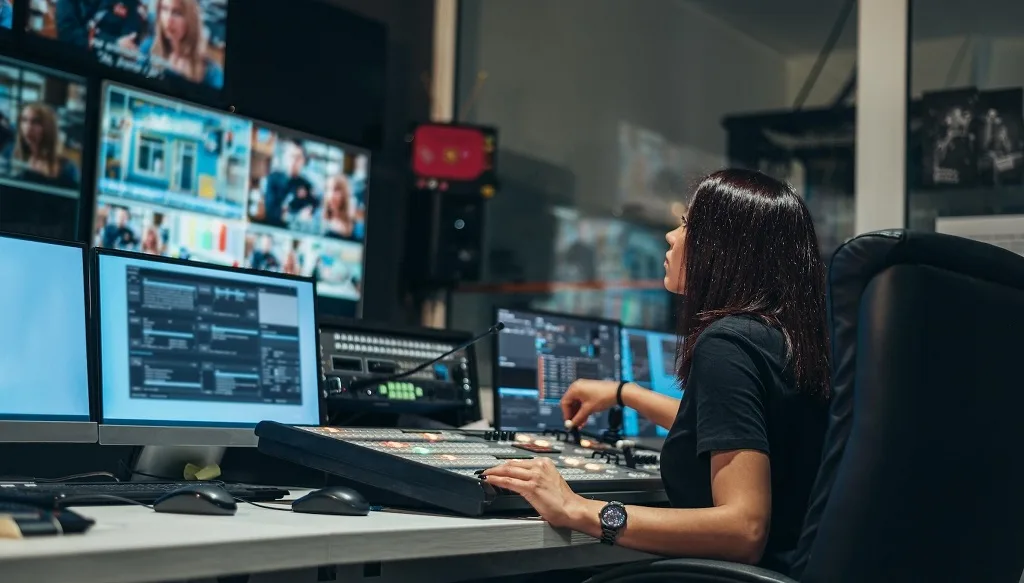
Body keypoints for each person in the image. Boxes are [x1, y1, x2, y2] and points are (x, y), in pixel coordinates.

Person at [481, 169, 832, 577]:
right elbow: (731, 425)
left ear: (725, 248)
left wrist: (579, 508)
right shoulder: (781, 337)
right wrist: (623, 393)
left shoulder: (727, 344)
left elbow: (743, 529)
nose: (671, 236)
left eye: (686, 224)